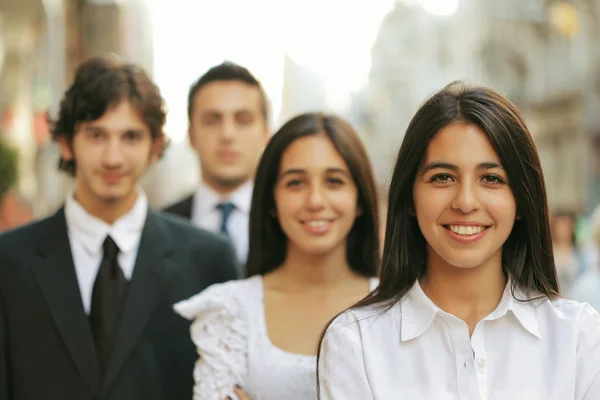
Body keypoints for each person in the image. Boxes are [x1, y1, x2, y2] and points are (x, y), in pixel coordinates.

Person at [317, 82, 600, 399]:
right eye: (442, 177)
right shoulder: (356, 342)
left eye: (491, 179)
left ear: (521, 199)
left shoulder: (579, 337)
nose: (465, 202)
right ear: (410, 197)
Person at [0, 56, 239, 400]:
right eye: (96, 135)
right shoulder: (9, 262)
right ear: (67, 143)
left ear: (155, 147)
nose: (113, 157)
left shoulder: (208, 259)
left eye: (130, 137)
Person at [174, 112, 380, 400]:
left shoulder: (398, 306)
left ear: (360, 199)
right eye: (296, 183)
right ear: (272, 200)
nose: (315, 201)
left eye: (334, 181)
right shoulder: (230, 312)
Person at [163, 62, 269, 264]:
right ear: (191, 134)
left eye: (243, 120)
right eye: (212, 120)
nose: (227, 134)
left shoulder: (290, 225)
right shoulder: (159, 228)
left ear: (266, 133)